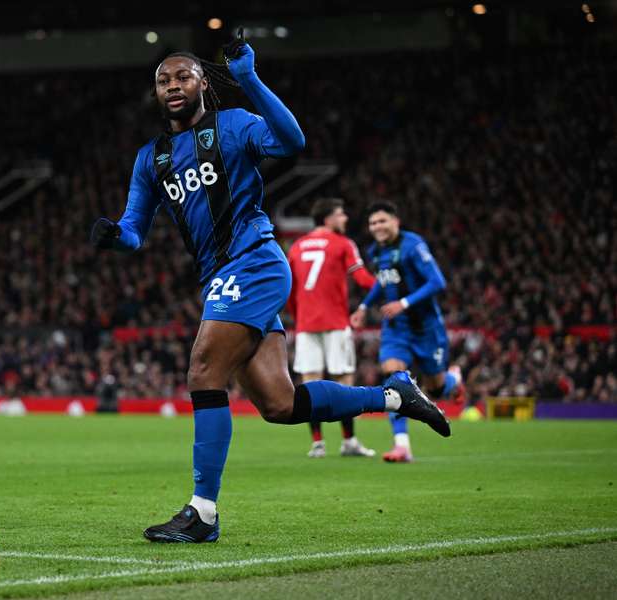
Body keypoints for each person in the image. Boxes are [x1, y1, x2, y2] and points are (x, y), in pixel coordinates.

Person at [91, 33, 449, 543]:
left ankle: (203, 513)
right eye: (163, 80)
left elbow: (291, 143)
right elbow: (134, 229)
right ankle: (393, 395)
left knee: (203, 370)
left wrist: (250, 80)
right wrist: (114, 237)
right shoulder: (152, 159)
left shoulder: (233, 125)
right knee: (281, 405)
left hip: (254, 261)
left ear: (202, 85)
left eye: (182, 76)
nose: (172, 85)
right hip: (222, 275)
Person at [350, 202, 464, 463]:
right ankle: (402, 445)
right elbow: (383, 280)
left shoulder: (413, 246)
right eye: (372, 223)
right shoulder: (377, 251)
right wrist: (364, 305)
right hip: (396, 329)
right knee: (396, 379)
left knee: (435, 388)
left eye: (382, 221)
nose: (377, 227)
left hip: (426, 328)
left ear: (395, 222)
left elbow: (437, 281)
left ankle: (453, 380)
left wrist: (404, 303)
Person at [287, 198, 377, 459]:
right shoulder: (343, 244)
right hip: (336, 322)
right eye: (341, 214)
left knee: (310, 384)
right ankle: (349, 441)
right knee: (345, 382)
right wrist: (387, 287)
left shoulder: (296, 247)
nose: (345, 218)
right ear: (328, 219)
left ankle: (317, 444)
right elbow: (361, 278)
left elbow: (290, 291)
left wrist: (300, 317)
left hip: (305, 324)